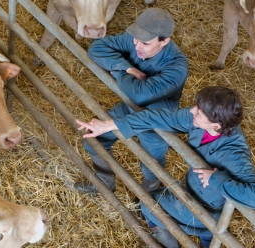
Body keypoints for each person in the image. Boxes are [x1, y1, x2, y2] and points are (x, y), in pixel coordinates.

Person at [76, 86, 255, 248]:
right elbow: (158, 117)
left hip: (208, 206)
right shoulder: (203, 122)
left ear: (216, 126)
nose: (192, 111)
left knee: (148, 204)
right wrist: (110, 125)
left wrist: (216, 179)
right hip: (194, 190)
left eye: (199, 112)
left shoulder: (234, 153)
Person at [76, 8, 189, 193]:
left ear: (165, 41)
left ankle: (148, 199)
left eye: (145, 43)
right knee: (93, 137)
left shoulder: (177, 66)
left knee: (152, 164)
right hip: (130, 108)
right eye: (135, 39)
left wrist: (118, 72)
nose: (137, 46)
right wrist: (127, 68)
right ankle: (105, 183)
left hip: (156, 120)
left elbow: (140, 94)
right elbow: (96, 48)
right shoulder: (136, 39)